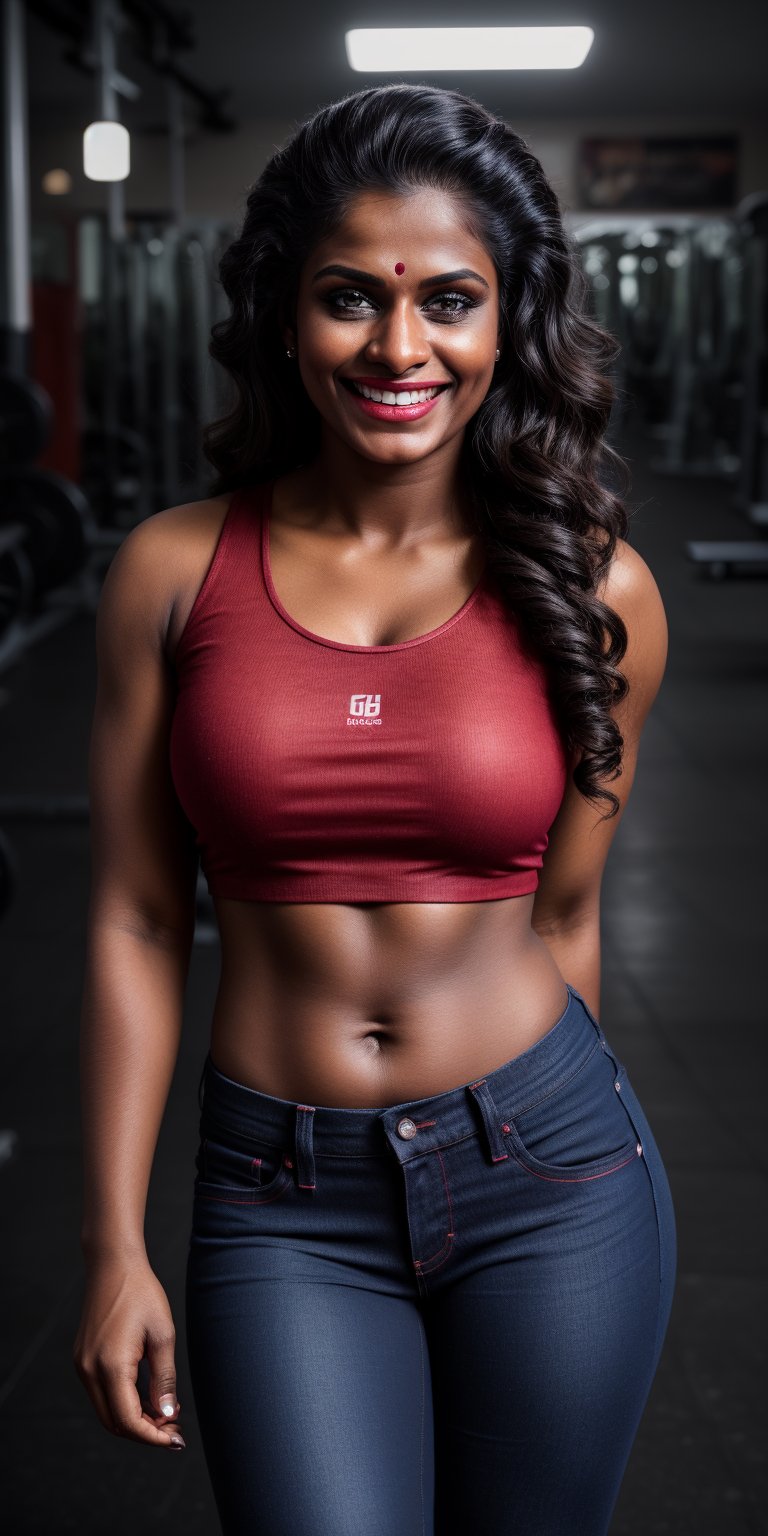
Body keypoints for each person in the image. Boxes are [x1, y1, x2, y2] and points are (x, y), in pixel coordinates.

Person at [73, 82, 677, 1536]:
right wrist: (111, 1241)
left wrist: (536, 1136)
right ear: (289, 316)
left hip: (552, 1175)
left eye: (450, 302)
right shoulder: (171, 571)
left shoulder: (599, 591)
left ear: (504, 322)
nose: (400, 347)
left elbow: (570, 914)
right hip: (281, 1195)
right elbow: (141, 918)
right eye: (351, 299)